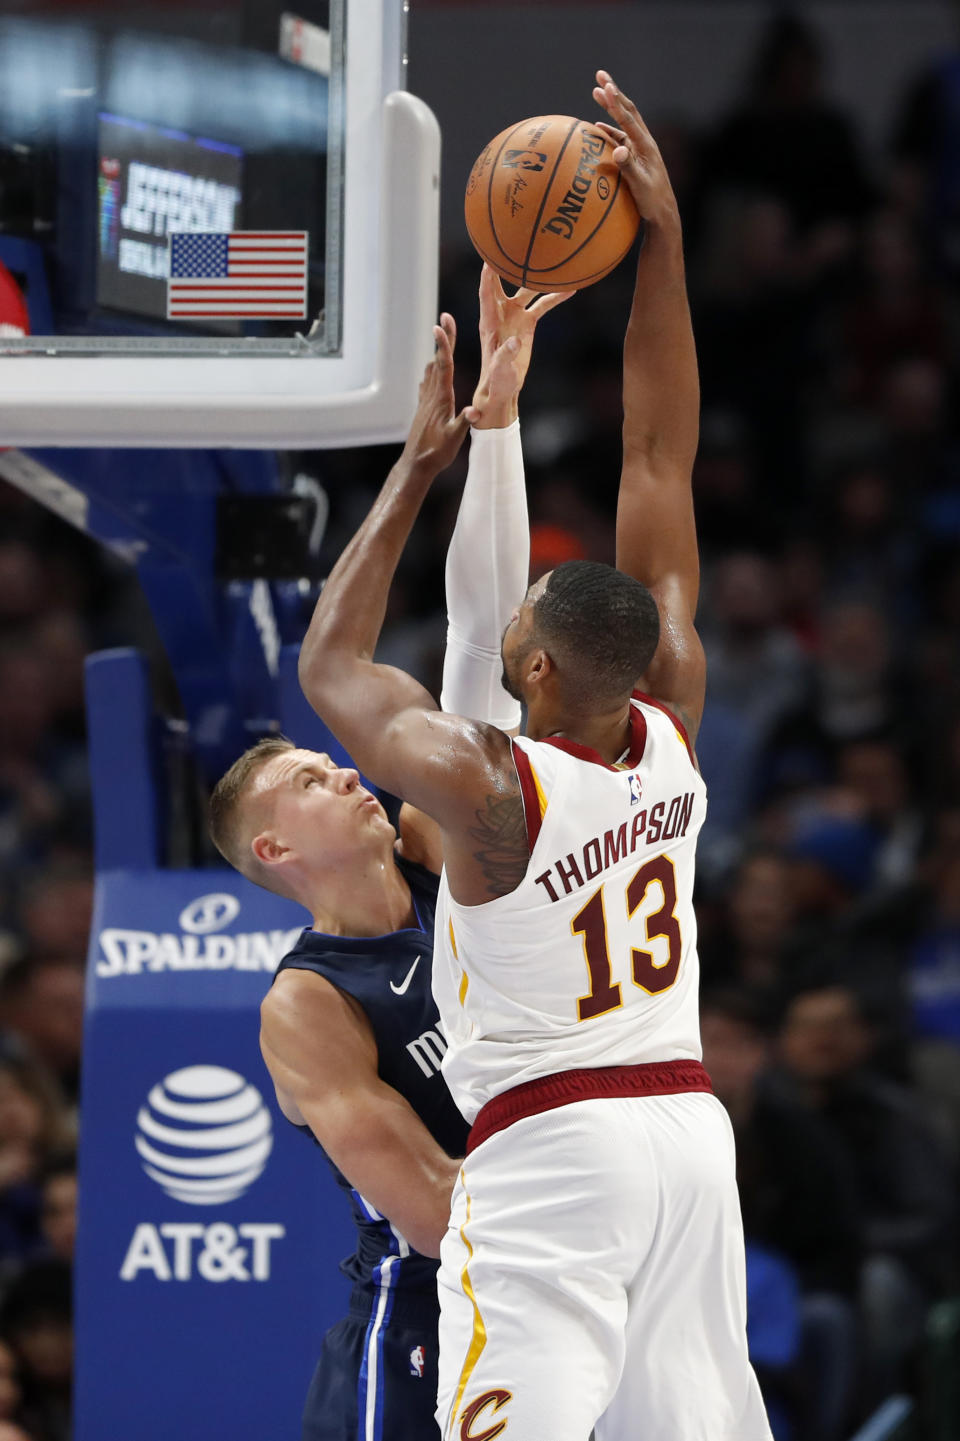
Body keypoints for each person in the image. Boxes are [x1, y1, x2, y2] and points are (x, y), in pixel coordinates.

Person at [298, 69, 771, 1441]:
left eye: (519, 616)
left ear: (541, 669)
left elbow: (332, 670)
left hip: (555, 1155)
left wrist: (425, 464)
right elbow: (658, 459)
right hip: (686, 1144)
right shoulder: (669, 714)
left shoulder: (497, 793)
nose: (507, 616)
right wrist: (664, 247)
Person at [207, 275, 568, 1441]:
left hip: (557, 1274)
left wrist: (474, 440)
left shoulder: (431, 854)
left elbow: (479, 649)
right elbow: (429, 1208)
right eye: (313, 779)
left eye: (338, 763)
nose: (349, 771)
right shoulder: (307, 1003)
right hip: (435, 1311)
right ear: (273, 850)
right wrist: (600, 1173)